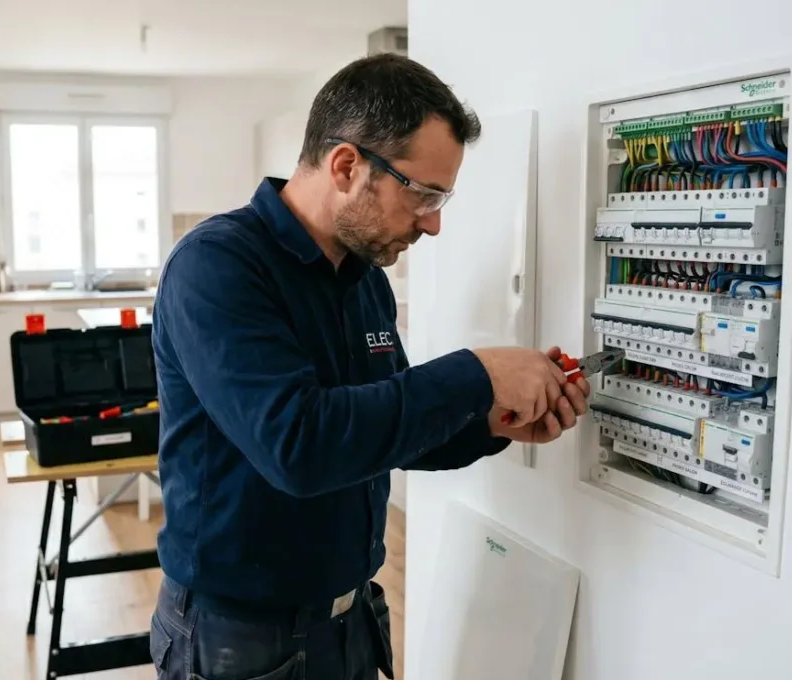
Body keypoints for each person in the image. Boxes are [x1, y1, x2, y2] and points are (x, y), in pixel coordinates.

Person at [148, 53, 589, 680]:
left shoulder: (362, 278)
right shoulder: (217, 269)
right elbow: (300, 446)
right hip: (238, 640)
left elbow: (384, 433)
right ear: (348, 165)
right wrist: (476, 373)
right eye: (424, 194)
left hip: (351, 621)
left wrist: (494, 420)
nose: (434, 223)